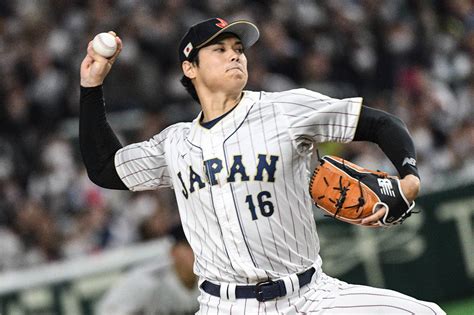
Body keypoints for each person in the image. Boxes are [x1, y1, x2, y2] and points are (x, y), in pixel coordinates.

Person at [79, 18, 445, 314]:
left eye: (239, 49)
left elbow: (383, 124)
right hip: (224, 306)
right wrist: (91, 86)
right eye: (219, 49)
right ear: (189, 68)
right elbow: (105, 169)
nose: (235, 55)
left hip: (311, 296)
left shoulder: (285, 109)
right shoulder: (173, 144)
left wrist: (409, 176)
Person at [97, 224, 199, 315]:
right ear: (173, 252)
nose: (195, 252)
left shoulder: (210, 277)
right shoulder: (147, 280)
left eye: (198, 246)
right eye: (188, 246)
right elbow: (108, 310)